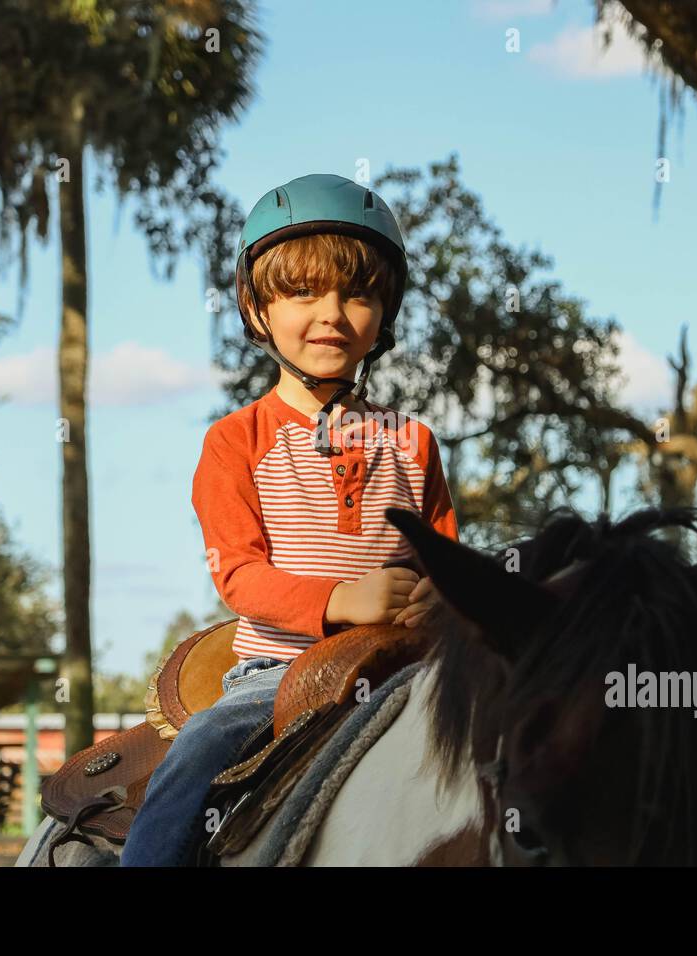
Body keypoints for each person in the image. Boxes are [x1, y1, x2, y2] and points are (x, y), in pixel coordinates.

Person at [120, 173, 459, 866]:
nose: (332, 313)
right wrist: (342, 600)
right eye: (302, 292)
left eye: (358, 292)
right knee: (196, 757)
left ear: (384, 313)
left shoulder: (414, 442)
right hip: (280, 673)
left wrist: (440, 598)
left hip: (407, 665)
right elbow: (239, 575)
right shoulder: (234, 441)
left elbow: (448, 560)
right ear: (256, 309)